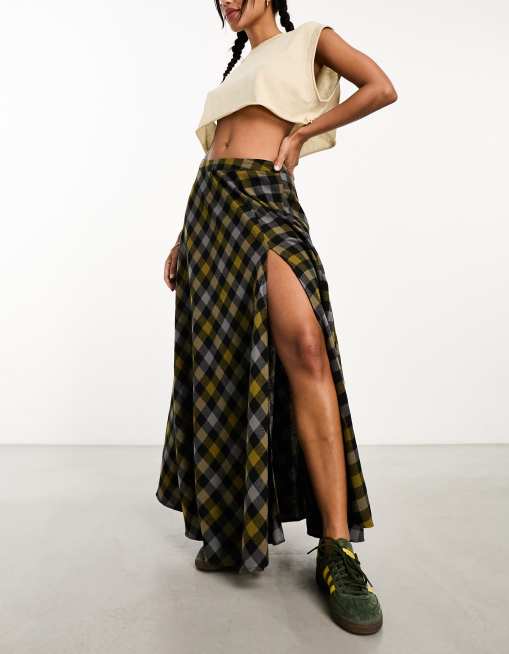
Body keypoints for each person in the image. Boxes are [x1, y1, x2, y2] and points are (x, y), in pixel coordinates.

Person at [156, 0, 397, 636]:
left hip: (264, 196)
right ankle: (229, 525)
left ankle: (338, 550)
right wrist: (183, 236)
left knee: (306, 348)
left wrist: (298, 136)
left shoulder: (311, 38)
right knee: (223, 365)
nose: (227, 0)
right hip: (210, 214)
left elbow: (380, 86)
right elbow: (212, 157)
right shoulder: (234, 70)